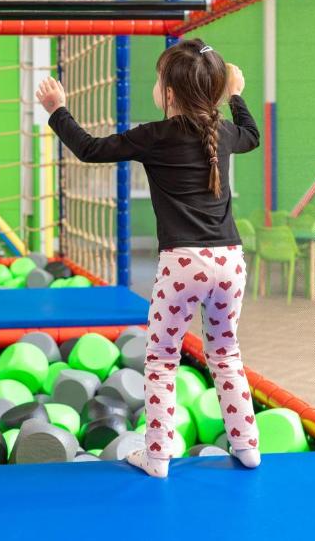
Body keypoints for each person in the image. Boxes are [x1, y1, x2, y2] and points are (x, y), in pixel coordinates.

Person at [36, 38, 261, 477]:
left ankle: (157, 455)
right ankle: (247, 446)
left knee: (161, 359)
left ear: (169, 94)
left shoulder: (154, 136)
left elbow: (90, 148)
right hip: (230, 261)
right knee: (225, 353)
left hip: (182, 264)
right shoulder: (224, 132)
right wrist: (235, 95)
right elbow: (251, 135)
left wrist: (56, 109)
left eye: (159, 81)